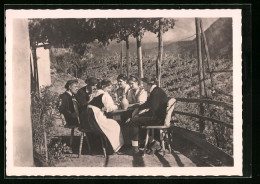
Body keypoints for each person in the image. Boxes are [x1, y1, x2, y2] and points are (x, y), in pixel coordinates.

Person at [126, 77, 169, 156]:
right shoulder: (155, 91)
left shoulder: (155, 93)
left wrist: (139, 115)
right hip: (158, 117)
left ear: (147, 84)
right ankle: (153, 143)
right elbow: (147, 104)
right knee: (137, 119)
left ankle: (135, 149)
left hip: (158, 119)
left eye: (143, 84)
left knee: (133, 121)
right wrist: (138, 109)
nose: (142, 86)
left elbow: (153, 111)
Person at [79, 79, 124, 154]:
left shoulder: (95, 92)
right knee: (114, 125)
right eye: (108, 88)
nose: (109, 89)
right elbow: (109, 108)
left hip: (86, 117)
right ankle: (111, 148)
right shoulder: (104, 94)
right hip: (94, 117)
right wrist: (117, 105)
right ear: (103, 86)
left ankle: (103, 146)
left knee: (111, 123)